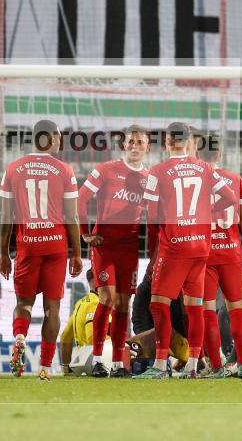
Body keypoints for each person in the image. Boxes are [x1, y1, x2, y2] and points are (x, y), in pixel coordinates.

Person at [134, 122, 229, 379]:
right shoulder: (205, 168)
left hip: (174, 247)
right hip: (200, 248)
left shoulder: (158, 171)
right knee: (194, 307)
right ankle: (192, 366)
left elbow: (152, 219)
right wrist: (204, 209)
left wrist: (153, 256)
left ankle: (160, 365)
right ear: (188, 142)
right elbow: (229, 197)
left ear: (167, 142)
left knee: (158, 304)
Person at [0, 120, 83, 381]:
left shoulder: (13, 169)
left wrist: (3, 253)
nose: (59, 141)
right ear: (50, 138)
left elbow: (5, 218)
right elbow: (72, 218)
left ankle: (20, 336)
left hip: (28, 245)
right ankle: (45, 367)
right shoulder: (64, 170)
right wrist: (77, 253)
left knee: (23, 304)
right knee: (52, 310)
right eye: (58, 136)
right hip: (55, 245)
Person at [77, 125, 149, 378]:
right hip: (104, 246)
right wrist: (85, 233)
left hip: (129, 249)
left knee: (122, 304)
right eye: (131, 141)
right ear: (124, 145)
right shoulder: (106, 170)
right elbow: (80, 198)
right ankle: (98, 360)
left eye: (140, 142)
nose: (135, 145)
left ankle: (119, 362)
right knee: (106, 298)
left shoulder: (149, 180)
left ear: (147, 147)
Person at [197, 134, 242, 379]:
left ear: (198, 156)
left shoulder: (196, 180)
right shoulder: (235, 179)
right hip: (232, 251)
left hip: (205, 253)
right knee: (236, 309)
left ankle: (217, 367)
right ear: (219, 154)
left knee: (207, 310)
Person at [59, 269, 112, 376]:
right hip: (98, 361)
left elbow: (65, 338)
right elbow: (92, 338)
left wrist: (66, 368)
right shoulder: (95, 304)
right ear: (97, 281)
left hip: (83, 360)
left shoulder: (81, 303)